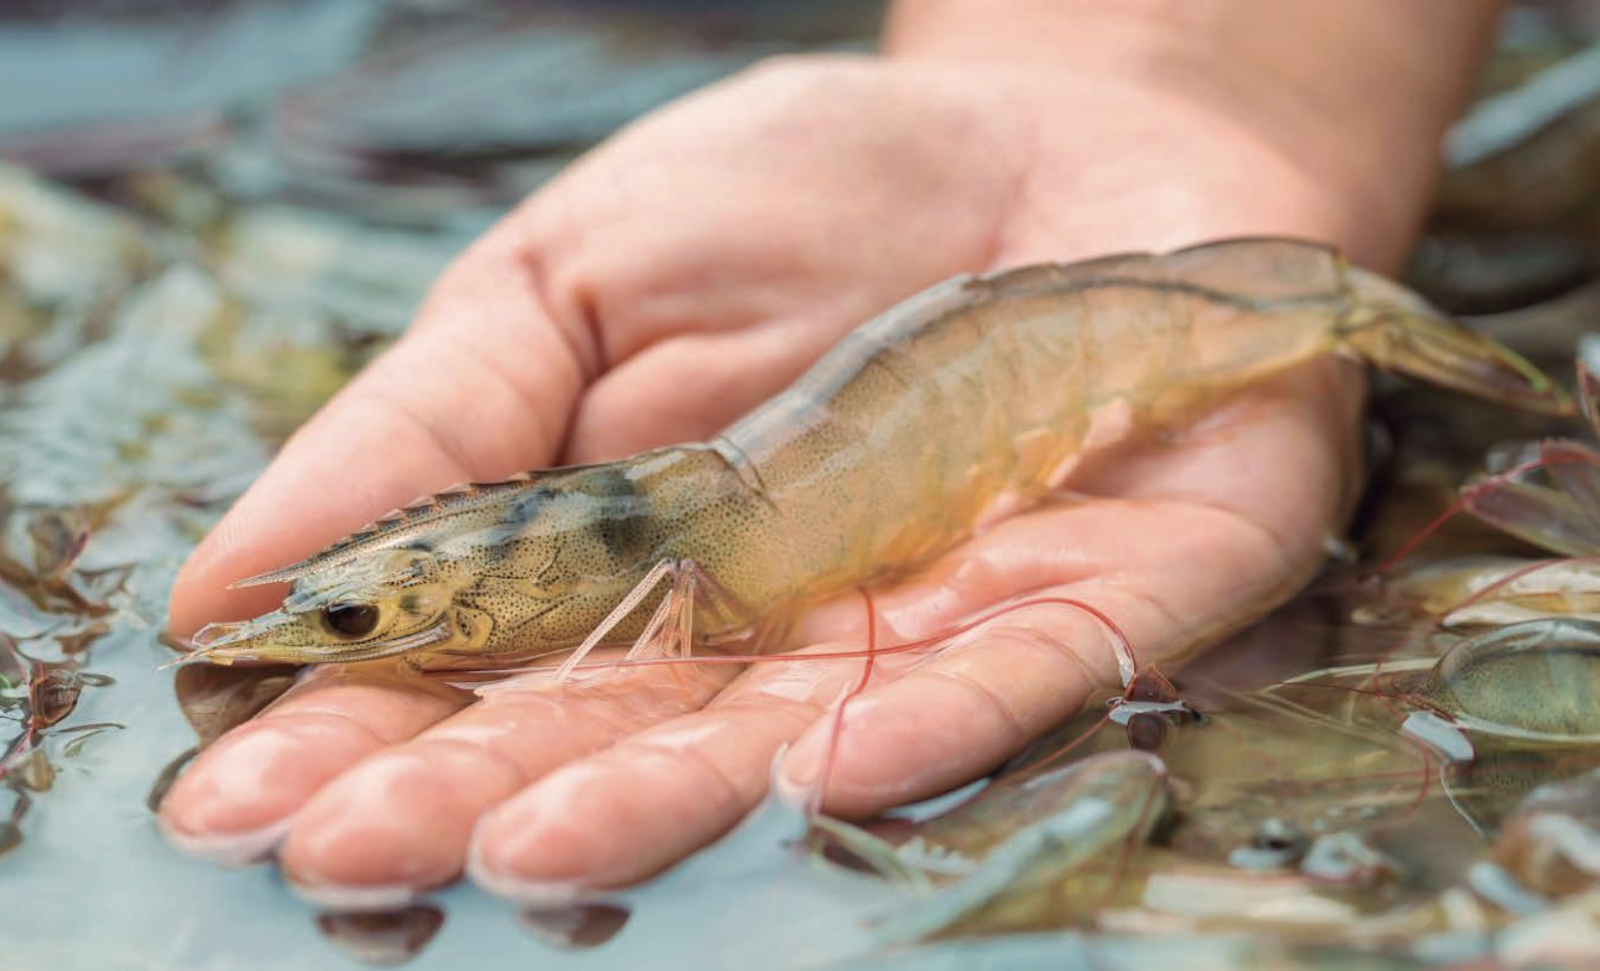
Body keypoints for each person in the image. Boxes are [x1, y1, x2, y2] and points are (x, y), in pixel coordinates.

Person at [159, 0, 1501, 905]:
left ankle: (1330, 310)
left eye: (362, 611)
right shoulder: (593, 530)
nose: (346, 623)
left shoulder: (651, 549)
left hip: (1048, 343)